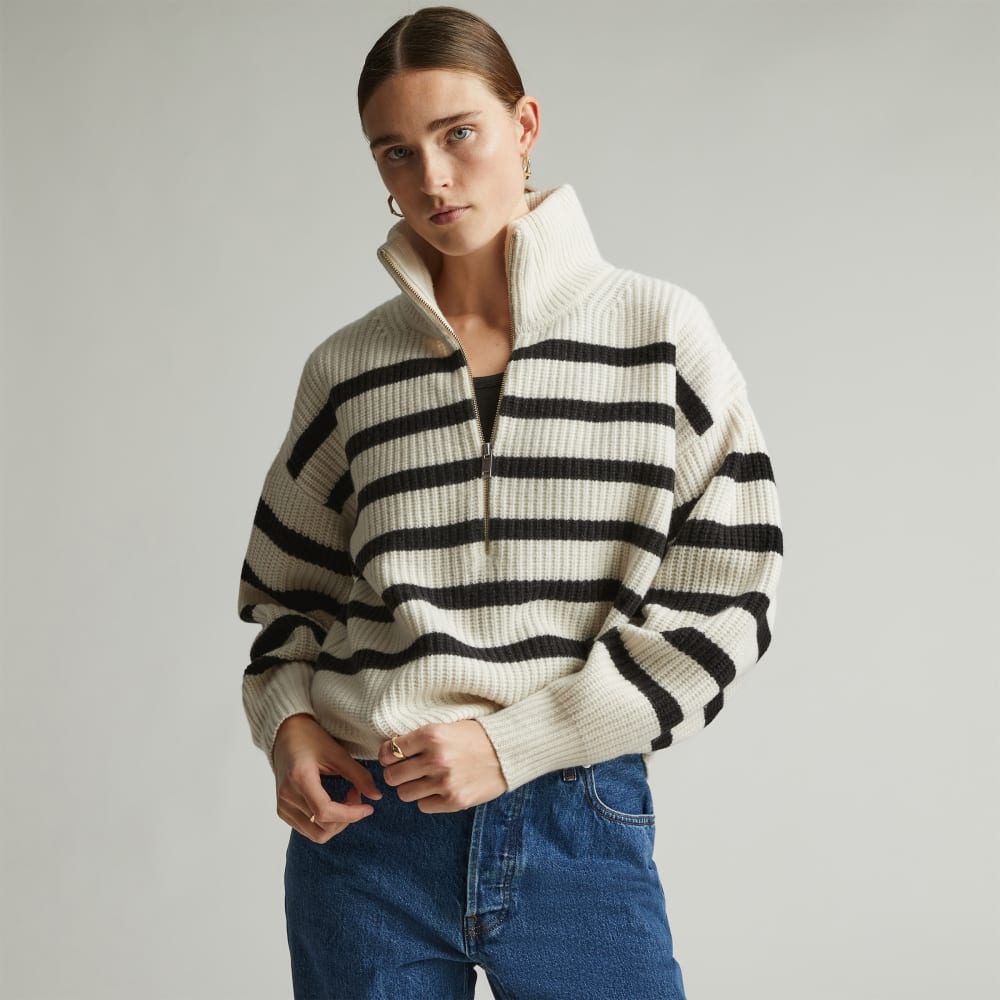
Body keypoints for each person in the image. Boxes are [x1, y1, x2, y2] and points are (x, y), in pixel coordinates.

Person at [237, 6, 783, 998]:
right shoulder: (348, 369)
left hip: (576, 815)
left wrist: (517, 741)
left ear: (524, 124)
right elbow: (285, 596)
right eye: (396, 152)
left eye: (459, 134)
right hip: (368, 836)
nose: (432, 178)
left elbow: (731, 600)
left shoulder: (658, 335)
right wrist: (289, 726)